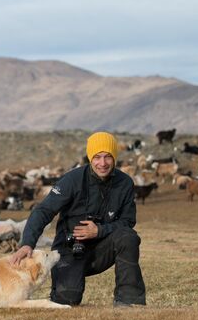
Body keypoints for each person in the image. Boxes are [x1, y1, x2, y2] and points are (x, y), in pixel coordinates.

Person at [9, 132, 146, 307]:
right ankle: (64, 287)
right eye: (97, 157)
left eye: (107, 157)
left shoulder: (125, 183)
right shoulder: (72, 180)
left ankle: (129, 301)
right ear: (90, 157)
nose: (102, 163)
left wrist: (100, 230)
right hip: (69, 250)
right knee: (68, 299)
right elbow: (43, 210)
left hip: (101, 250)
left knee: (128, 237)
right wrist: (27, 243)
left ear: (114, 158)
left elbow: (127, 222)